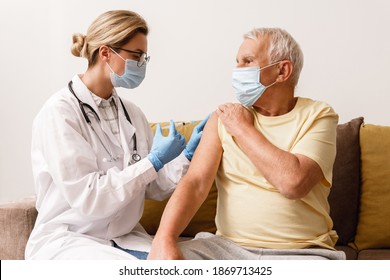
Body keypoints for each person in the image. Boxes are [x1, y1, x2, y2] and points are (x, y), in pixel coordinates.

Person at [148, 28, 346, 260]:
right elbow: (195, 183)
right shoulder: (221, 118)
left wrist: (243, 128)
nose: (237, 70)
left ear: (282, 70)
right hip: (226, 249)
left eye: (247, 61)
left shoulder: (318, 115)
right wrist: (164, 238)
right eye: (237, 62)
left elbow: (293, 183)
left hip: (302, 252)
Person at [26, 10, 207, 260]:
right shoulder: (59, 113)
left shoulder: (132, 113)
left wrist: (186, 156)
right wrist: (152, 160)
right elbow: (90, 198)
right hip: (71, 239)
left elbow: (153, 186)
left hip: (124, 237)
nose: (142, 64)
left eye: (145, 57)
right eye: (137, 55)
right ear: (105, 53)